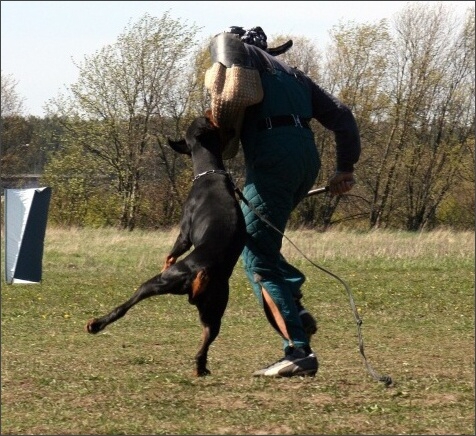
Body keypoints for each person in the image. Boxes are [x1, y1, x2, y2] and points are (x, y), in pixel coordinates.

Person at [205, 26, 361, 377]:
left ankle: (298, 351)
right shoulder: (297, 77)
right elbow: (343, 116)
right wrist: (344, 168)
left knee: (257, 258)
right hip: (305, 159)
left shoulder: (243, 63)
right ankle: (296, 303)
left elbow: (224, 108)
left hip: (272, 158)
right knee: (259, 239)